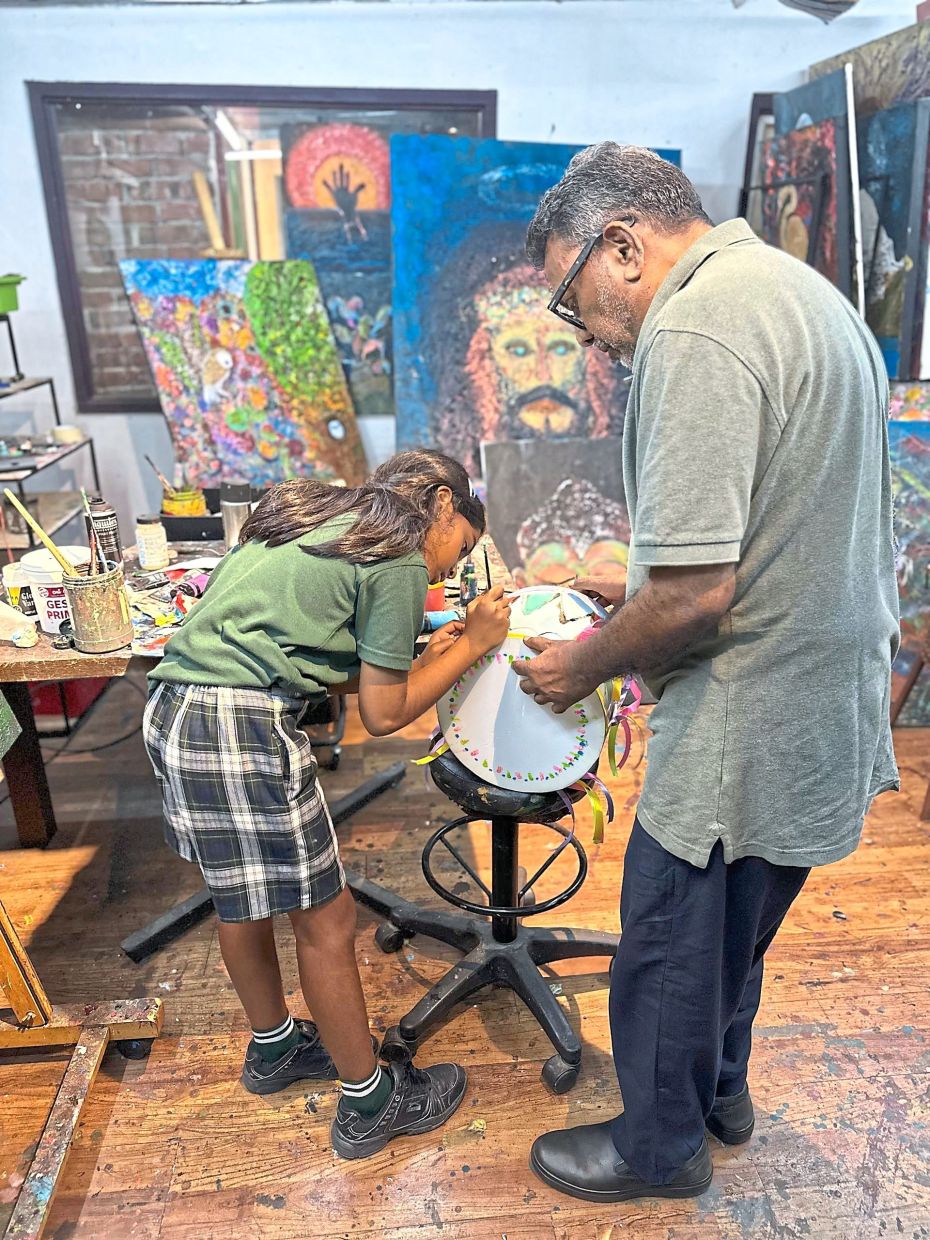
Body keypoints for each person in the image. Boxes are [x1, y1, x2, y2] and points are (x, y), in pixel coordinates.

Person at [513, 143, 900, 1203]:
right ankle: (720, 1092)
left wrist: (578, 669)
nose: (582, 331)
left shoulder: (695, 326)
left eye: (571, 299)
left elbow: (693, 597)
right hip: (821, 692)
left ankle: (658, 1147)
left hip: (749, 704)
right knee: (737, 928)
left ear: (622, 245)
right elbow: (781, 513)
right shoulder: (798, 292)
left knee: (670, 937)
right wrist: (633, 575)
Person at [142, 449, 511, 1160]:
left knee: (240, 899)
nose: (449, 571)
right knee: (327, 919)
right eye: (461, 547)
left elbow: (300, 651)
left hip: (178, 710)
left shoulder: (324, 516)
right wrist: (474, 644)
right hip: (239, 728)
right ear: (441, 502)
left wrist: (425, 656)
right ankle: (370, 1103)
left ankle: (275, 1047)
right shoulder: (400, 551)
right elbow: (384, 713)